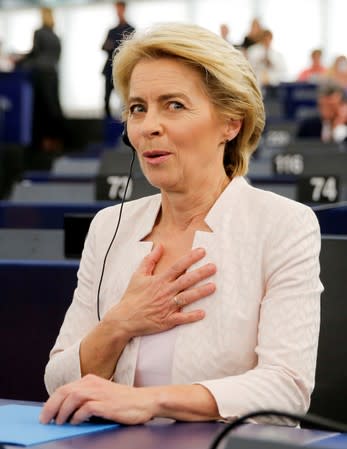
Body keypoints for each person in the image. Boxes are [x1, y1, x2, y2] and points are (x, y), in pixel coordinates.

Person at [40, 23, 322, 426]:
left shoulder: (282, 225)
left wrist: (151, 401)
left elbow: (285, 389)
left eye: (174, 105)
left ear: (231, 123)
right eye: (138, 108)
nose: (148, 126)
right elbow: (58, 381)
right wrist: (121, 322)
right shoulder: (109, 226)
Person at [19, 7, 64, 155]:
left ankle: (44, 143)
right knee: (53, 107)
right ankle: (56, 141)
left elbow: (34, 53)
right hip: (53, 74)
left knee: (42, 110)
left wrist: (19, 61)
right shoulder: (56, 36)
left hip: (41, 75)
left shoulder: (39, 33)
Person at [101, 1, 135, 117]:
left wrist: (113, 45)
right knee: (106, 99)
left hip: (123, 69)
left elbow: (130, 49)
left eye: (119, 9)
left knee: (125, 100)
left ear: (124, 9)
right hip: (110, 69)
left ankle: (125, 127)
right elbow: (104, 46)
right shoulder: (112, 30)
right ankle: (108, 126)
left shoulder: (130, 29)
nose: (117, 12)